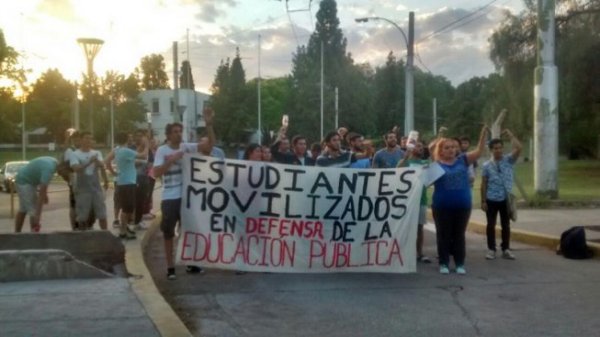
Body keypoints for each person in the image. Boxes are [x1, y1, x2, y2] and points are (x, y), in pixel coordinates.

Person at [153, 108, 216, 280]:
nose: (178, 134)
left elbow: (210, 145)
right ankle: (170, 266)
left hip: (188, 196)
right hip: (170, 197)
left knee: (189, 229)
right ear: (168, 135)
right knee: (168, 232)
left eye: (180, 131)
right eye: (175, 132)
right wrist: (172, 159)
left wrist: (208, 124)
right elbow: (156, 173)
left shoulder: (186, 146)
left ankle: (191, 262)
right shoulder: (162, 151)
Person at [430, 125, 489, 275]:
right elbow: (423, 182)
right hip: (441, 207)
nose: (450, 150)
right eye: (446, 148)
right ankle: (443, 263)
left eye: (452, 147)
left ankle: (460, 263)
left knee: (459, 235)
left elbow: (479, 151)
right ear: (441, 151)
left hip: (462, 206)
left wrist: (483, 135)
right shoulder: (436, 165)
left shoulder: (463, 160)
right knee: (443, 235)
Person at [481, 129, 522, 260]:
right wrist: (483, 200)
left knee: (506, 225)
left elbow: (519, 147)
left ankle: (506, 248)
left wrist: (511, 135)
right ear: (490, 150)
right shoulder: (486, 165)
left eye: (500, 148)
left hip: (505, 199)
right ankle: (491, 249)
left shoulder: (508, 160)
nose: (498, 150)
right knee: (491, 225)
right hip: (491, 199)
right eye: (495, 148)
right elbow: (484, 183)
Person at [106, 132, 147, 239]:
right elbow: (143, 155)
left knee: (127, 207)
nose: (132, 140)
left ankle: (125, 228)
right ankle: (123, 231)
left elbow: (107, 161)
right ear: (126, 139)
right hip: (128, 183)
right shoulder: (126, 150)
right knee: (127, 208)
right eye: (130, 138)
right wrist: (146, 145)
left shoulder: (117, 150)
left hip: (122, 181)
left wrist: (114, 172)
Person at [397, 139, 431, 263]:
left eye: (422, 146)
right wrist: (405, 158)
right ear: (411, 148)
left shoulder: (425, 162)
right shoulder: (406, 162)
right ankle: (404, 252)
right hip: (406, 200)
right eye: (417, 146)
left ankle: (419, 253)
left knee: (419, 227)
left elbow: (429, 178)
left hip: (421, 199)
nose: (420, 148)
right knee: (405, 227)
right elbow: (396, 171)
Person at [69, 131, 109, 230]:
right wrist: (89, 161)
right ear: (81, 140)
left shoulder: (96, 153)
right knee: (82, 216)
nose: (89, 141)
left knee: (102, 214)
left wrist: (105, 180)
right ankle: (83, 236)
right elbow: (76, 168)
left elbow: (101, 165)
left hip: (96, 189)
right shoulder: (75, 154)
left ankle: (104, 235)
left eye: (90, 138)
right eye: (86, 138)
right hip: (82, 189)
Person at [14, 156, 58, 233]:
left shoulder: (54, 162)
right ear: (63, 168)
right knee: (34, 211)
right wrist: (38, 215)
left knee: (23, 209)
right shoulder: (49, 169)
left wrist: (45, 194)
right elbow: (41, 194)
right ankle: (34, 235)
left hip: (25, 179)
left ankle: (17, 233)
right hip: (25, 182)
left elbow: (42, 184)